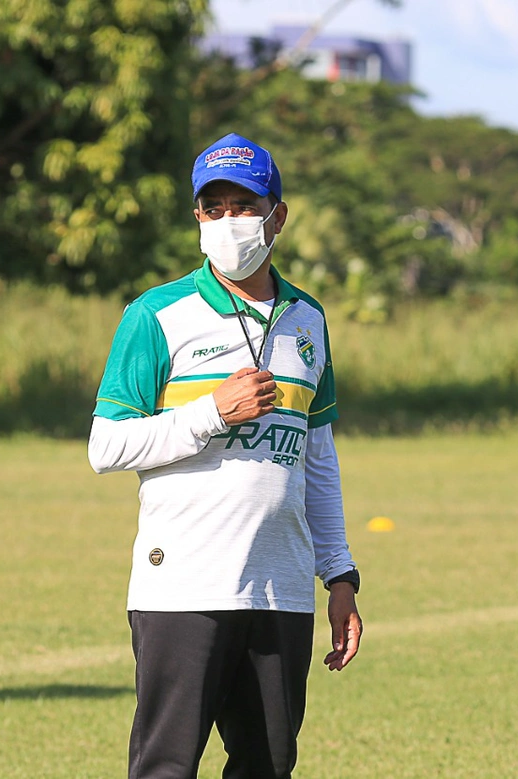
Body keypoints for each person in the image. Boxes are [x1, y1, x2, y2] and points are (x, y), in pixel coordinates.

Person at [88, 132, 363, 779]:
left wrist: (341, 576)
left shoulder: (308, 319)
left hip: (282, 588)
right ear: (197, 218)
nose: (228, 220)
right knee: (166, 766)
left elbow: (317, 461)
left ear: (278, 216)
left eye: (244, 205)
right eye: (214, 207)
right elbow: (107, 445)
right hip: (183, 584)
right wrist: (213, 412)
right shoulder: (156, 315)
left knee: (267, 766)